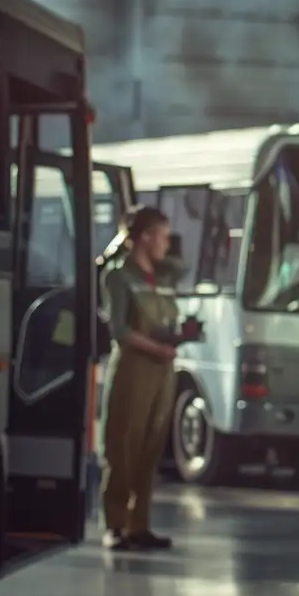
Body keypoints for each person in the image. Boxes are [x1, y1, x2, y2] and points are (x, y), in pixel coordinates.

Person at [98, 204, 186, 551]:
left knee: (151, 448)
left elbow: (180, 270)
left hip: (162, 371)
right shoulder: (119, 276)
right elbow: (120, 330)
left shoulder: (163, 277)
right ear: (144, 237)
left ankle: (140, 525)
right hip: (134, 369)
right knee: (123, 446)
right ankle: (115, 526)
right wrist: (156, 347)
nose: (168, 243)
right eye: (162, 236)